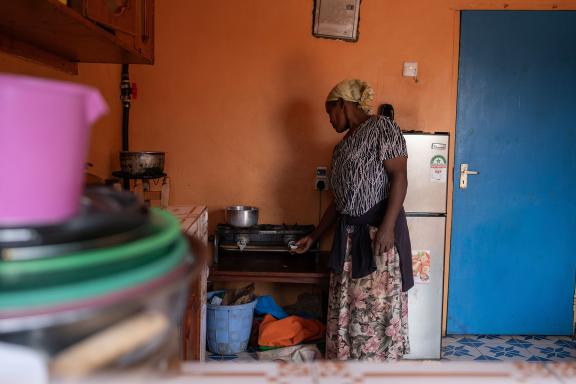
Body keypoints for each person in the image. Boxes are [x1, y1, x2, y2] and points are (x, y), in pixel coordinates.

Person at [293, 79, 413, 361]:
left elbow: (400, 177)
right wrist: (315, 235)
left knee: (374, 313)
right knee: (350, 312)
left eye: (329, 113)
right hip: (347, 240)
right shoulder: (343, 145)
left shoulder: (383, 128)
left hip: (376, 239)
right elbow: (340, 201)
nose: (329, 120)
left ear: (343, 105)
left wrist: (386, 228)